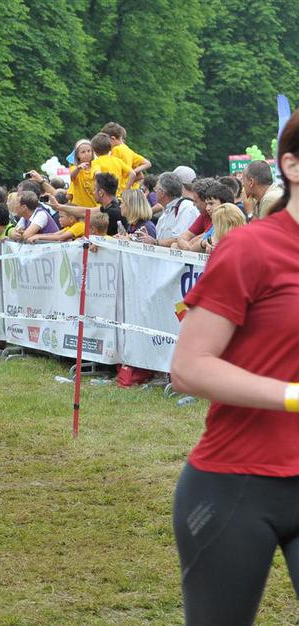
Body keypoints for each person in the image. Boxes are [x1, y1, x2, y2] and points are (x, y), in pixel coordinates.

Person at [169, 110, 299, 625]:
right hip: (235, 482)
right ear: (291, 165)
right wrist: (292, 395)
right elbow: (190, 368)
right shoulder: (252, 248)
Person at [67, 139, 99, 208]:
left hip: (93, 205)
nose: (86, 154)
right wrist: (78, 168)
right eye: (83, 152)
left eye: (89, 151)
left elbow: (98, 174)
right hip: (79, 206)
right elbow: (72, 176)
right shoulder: (74, 168)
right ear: (77, 155)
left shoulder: (96, 166)